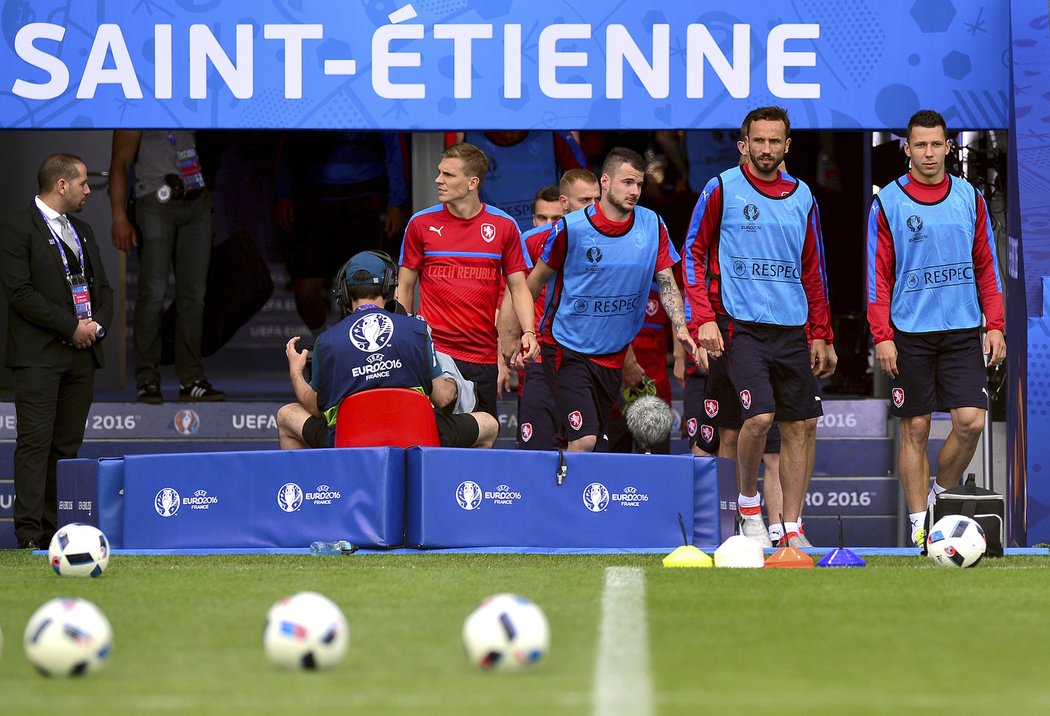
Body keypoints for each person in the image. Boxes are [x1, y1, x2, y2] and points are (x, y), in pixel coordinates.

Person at [684, 106, 832, 548]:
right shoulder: (721, 188)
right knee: (759, 417)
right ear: (743, 144)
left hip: (792, 327)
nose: (766, 149)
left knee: (802, 426)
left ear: (787, 146)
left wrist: (821, 332)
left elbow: (814, 269)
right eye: (758, 140)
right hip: (738, 325)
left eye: (775, 141)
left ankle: (792, 527)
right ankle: (749, 507)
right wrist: (702, 318)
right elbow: (692, 253)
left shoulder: (803, 195)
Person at [867, 109, 1006, 547]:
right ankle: (918, 528)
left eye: (936, 144)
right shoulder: (888, 201)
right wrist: (882, 335)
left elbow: (987, 265)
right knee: (917, 428)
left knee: (970, 423)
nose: (928, 153)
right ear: (907, 149)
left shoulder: (970, 197)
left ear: (949, 147)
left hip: (964, 329)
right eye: (919, 145)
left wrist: (995, 324)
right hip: (909, 333)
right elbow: (877, 275)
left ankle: (939, 496)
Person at [503, 147, 698, 452]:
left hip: (613, 356)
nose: (634, 191)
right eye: (627, 182)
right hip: (566, 349)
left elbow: (667, 281)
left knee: (595, 446)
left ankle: (563, 493)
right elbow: (529, 286)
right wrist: (522, 333)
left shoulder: (652, 225)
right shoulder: (571, 228)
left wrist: (681, 326)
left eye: (639, 184)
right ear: (605, 182)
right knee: (585, 440)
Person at [0, 153, 113, 549]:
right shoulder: (17, 228)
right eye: (82, 182)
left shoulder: (82, 230)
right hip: (38, 357)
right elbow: (19, 293)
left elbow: (104, 289)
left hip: (82, 356)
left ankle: (53, 529)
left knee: (66, 445)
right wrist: (70, 327)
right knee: (35, 443)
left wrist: (94, 326)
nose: (88, 189)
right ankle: (29, 534)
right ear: (61, 185)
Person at [276, 251, 498, 450]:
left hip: (347, 442)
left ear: (343, 291)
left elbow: (315, 408)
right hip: (419, 437)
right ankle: (452, 492)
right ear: (389, 288)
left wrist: (296, 372)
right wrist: (453, 383)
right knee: (488, 424)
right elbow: (442, 398)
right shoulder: (416, 330)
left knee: (287, 415)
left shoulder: (326, 342)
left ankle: (324, 493)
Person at [396, 143, 539, 419]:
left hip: (481, 357)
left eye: (448, 175)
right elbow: (404, 287)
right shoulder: (420, 224)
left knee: (481, 440)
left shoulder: (504, 226)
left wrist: (529, 332)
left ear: (473, 182)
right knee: (432, 441)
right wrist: (406, 339)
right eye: (439, 172)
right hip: (434, 355)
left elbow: (519, 287)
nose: (438, 180)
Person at [109, 130, 224, 404]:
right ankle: (147, 379)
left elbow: (200, 154)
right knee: (153, 294)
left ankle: (192, 379)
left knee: (194, 296)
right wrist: (118, 215)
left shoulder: (191, 101)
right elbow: (119, 164)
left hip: (196, 201)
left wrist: (207, 209)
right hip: (154, 202)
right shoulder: (140, 103)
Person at [273, 131, 408, 334]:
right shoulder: (307, 102)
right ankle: (324, 344)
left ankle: (350, 352)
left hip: (362, 201)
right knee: (305, 295)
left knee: (362, 294)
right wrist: (283, 193)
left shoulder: (375, 104)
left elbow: (394, 146)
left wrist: (397, 201)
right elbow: (289, 143)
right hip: (314, 202)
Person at [515, 171, 601, 449]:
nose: (592, 206)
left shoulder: (609, 242)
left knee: (586, 446)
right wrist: (506, 346)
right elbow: (513, 295)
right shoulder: (531, 241)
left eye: (595, 200)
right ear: (567, 202)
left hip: (588, 361)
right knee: (535, 453)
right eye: (584, 199)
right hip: (542, 358)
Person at [460, 131, 586, 231]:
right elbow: (457, 187)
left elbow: (582, 181)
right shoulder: (470, 139)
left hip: (548, 231)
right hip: (491, 231)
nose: (509, 134)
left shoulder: (553, 134)